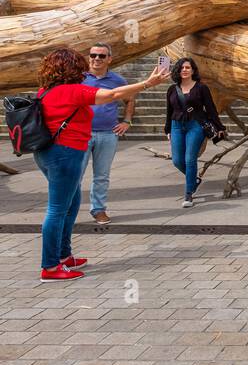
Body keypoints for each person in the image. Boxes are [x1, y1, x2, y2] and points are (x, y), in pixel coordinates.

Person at [33, 47, 169, 280]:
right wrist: (148, 83)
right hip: (65, 153)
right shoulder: (71, 91)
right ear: (72, 67)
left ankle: (64, 256)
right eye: (81, 63)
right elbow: (112, 95)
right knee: (57, 210)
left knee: (72, 203)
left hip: (48, 153)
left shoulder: (45, 91)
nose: (88, 65)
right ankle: (50, 267)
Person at [81, 41, 134, 226]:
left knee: (102, 175)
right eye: (93, 55)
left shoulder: (117, 81)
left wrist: (126, 121)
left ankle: (99, 209)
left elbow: (129, 99)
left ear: (109, 59)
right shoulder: (78, 78)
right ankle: (67, 210)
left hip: (107, 134)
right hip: (81, 134)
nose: (96, 59)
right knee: (74, 175)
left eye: (101, 56)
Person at [164, 58, 227, 207]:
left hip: (195, 125)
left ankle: (188, 194)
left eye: (188, 67)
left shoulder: (201, 88)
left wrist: (219, 127)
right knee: (177, 161)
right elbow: (169, 110)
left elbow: (211, 108)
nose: (184, 70)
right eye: (181, 68)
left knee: (190, 159)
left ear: (193, 70)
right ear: (177, 71)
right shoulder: (172, 89)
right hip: (176, 125)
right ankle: (194, 180)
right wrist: (167, 129)